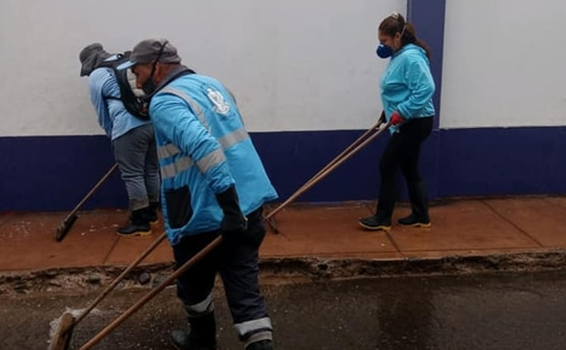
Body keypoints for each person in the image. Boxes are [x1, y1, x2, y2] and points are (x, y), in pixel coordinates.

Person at [119, 38, 278, 350]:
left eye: (138, 73)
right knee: (244, 290)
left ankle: (201, 340)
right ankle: (258, 344)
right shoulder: (212, 84)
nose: (138, 82)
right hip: (248, 204)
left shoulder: (165, 101)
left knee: (192, 283)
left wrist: (228, 207)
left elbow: (205, 146)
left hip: (205, 212)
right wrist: (237, 209)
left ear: (157, 67)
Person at [359, 12, 435, 232]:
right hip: (407, 120)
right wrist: (388, 111)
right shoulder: (399, 54)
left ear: (396, 37)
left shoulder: (411, 57)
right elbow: (400, 87)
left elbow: (426, 88)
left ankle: (383, 218)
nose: (381, 46)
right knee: (409, 167)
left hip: (415, 122)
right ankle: (421, 215)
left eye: (384, 41)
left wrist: (402, 111)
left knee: (387, 164)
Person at [79, 43, 160, 237]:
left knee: (133, 175)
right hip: (153, 123)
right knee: (150, 170)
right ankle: (152, 215)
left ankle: (140, 222)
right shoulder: (127, 62)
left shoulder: (97, 76)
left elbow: (102, 112)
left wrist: (115, 136)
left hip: (127, 128)